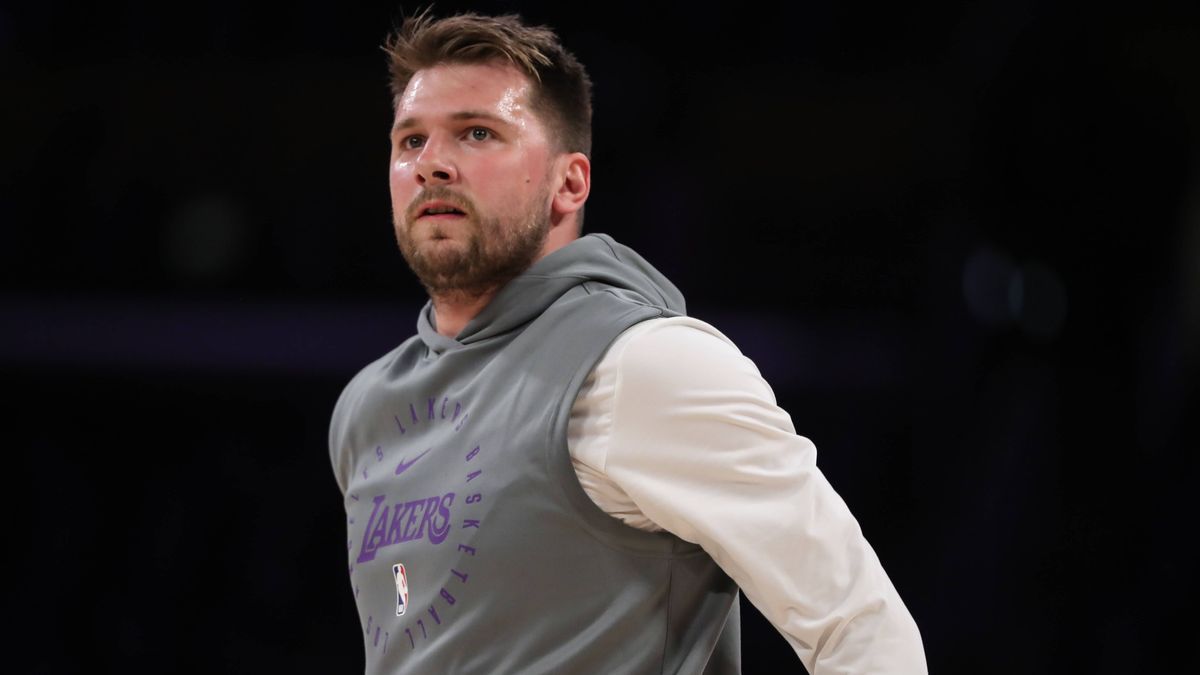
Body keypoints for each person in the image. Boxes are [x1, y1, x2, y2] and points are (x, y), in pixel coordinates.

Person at [328, 11, 928, 674]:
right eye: (410, 140)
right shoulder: (367, 409)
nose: (432, 164)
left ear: (570, 182)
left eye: (476, 132)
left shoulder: (643, 365)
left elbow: (860, 626)